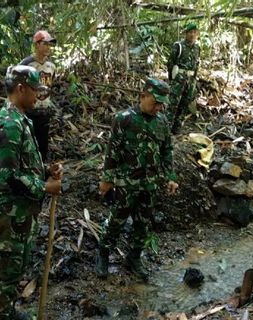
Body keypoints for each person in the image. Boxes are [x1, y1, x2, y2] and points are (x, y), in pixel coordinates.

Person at [0, 65, 63, 320]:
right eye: (35, 91)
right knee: (7, 272)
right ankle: (1, 315)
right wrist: (45, 187)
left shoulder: (20, 119)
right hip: (11, 212)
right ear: (21, 89)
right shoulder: (9, 123)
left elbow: (24, 165)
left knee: (17, 265)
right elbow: (10, 176)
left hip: (22, 211)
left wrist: (45, 170)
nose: (38, 96)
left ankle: (8, 311)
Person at [96, 77, 179, 282]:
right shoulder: (124, 118)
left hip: (149, 183)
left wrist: (170, 176)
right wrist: (107, 179)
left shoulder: (162, 122)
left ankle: (134, 257)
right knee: (116, 219)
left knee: (143, 223)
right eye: (156, 102)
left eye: (162, 104)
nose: (159, 107)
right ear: (143, 96)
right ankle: (103, 254)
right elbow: (112, 152)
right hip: (126, 183)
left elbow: (166, 151)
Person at [19, 30, 57, 161]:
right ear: (36, 45)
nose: (48, 47)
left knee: (43, 144)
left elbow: (51, 85)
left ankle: (43, 171)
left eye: (49, 45)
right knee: (29, 144)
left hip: (44, 110)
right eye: (45, 44)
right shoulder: (26, 64)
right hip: (30, 110)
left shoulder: (51, 66)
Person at [166, 22, 201, 134]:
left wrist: (194, 80)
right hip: (179, 77)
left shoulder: (197, 47)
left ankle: (177, 128)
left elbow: (196, 64)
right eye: (190, 32)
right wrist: (172, 78)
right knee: (172, 103)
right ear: (186, 33)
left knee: (184, 104)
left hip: (190, 79)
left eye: (194, 32)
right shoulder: (179, 46)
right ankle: (166, 128)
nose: (192, 35)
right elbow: (170, 63)